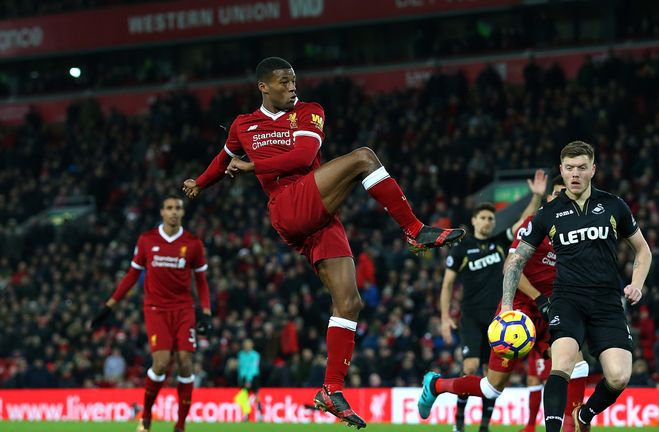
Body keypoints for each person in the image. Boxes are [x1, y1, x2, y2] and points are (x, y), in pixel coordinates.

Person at [182, 57, 465, 429]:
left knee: (349, 302)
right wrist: (200, 183)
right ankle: (413, 229)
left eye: (294, 80)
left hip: (318, 214)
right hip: (287, 205)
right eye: (283, 82)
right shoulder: (243, 125)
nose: (292, 87)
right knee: (364, 158)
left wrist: (253, 167)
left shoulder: (310, 112)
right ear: (263, 87)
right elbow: (223, 159)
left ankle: (330, 390)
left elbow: (301, 156)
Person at [497, 141, 652, 432]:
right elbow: (515, 262)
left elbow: (643, 250)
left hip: (607, 301)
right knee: (562, 364)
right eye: (569, 168)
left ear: (593, 169)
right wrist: (507, 307)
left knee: (619, 376)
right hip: (567, 299)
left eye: (582, 167)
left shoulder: (613, 205)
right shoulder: (548, 213)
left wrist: (637, 284)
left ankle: (585, 415)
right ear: (561, 171)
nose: (575, 174)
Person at [419, 175, 589, 432]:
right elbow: (511, 268)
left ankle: (572, 426)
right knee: (491, 388)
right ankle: (436, 386)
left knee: (576, 363)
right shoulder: (535, 225)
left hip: (552, 310)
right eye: (558, 193)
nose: (564, 197)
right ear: (551, 197)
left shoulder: (577, 232)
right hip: (519, 310)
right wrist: (536, 299)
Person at [90, 195, 212, 432]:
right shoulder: (147, 240)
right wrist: (109, 306)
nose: (174, 212)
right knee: (162, 363)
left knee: (186, 364)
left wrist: (205, 313)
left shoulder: (193, 243)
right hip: (156, 309)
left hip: (184, 308)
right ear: (162, 212)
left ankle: (180, 425)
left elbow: (202, 281)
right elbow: (132, 275)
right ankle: (145, 416)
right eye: (169, 208)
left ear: (183, 213)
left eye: (178, 208)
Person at [436, 170, 546, 432]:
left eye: (490, 218)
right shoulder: (462, 248)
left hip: (499, 318)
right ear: (474, 221)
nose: (487, 222)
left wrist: (537, 196)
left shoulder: (499, 243)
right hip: (472, 316)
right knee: (471, 367)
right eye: (483, 218)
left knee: (491, 374)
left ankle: (484, 426)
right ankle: (460, 424)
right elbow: (448, 284)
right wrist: (444, 317)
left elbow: (524, 223)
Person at [237, 339, 262, 422]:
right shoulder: (241, 355)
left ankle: (259, 414)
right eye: (245, 345)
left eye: (248, 345)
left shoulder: (255, 355)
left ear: (251, 345)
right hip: (243, 377)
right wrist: (241, 378)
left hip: (253, 376)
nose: (246, 346)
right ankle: (245, 414)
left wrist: (249, 380)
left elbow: (253, 367)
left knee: (256, 394)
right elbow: (241, 368)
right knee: (244, 396)